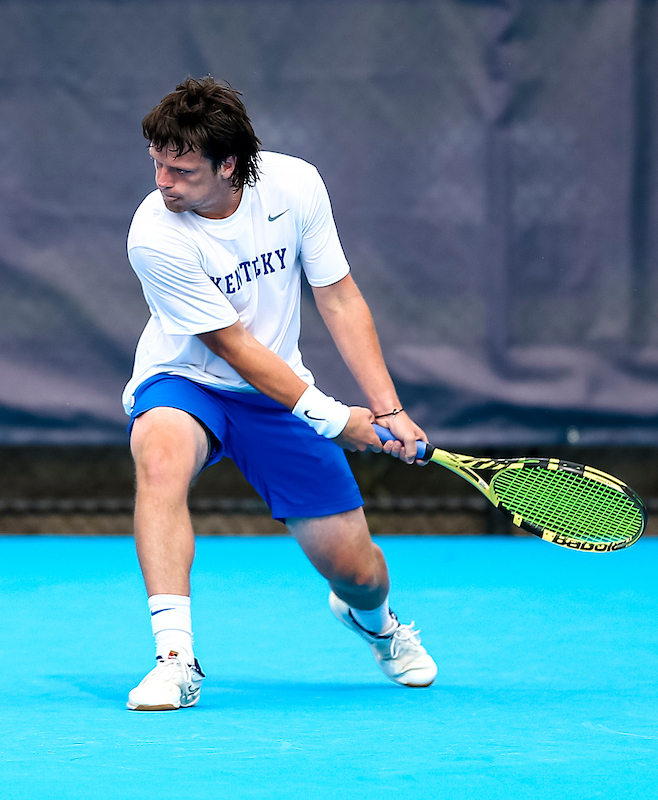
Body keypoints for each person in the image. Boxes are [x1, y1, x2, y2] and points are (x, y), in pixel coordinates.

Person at [123, 77, 437, 711]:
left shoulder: (295, 186)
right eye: (157, 164)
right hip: (186, 379)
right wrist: (335, 419)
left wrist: (388, 409)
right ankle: (174, 659)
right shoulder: (153, 235)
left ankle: (377, 624)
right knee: (159, 455)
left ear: (229, 165)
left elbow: (338, 297)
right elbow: (232, 346)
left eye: (181, 170)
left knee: (359, 573)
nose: (162, 182)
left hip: (277, 392)